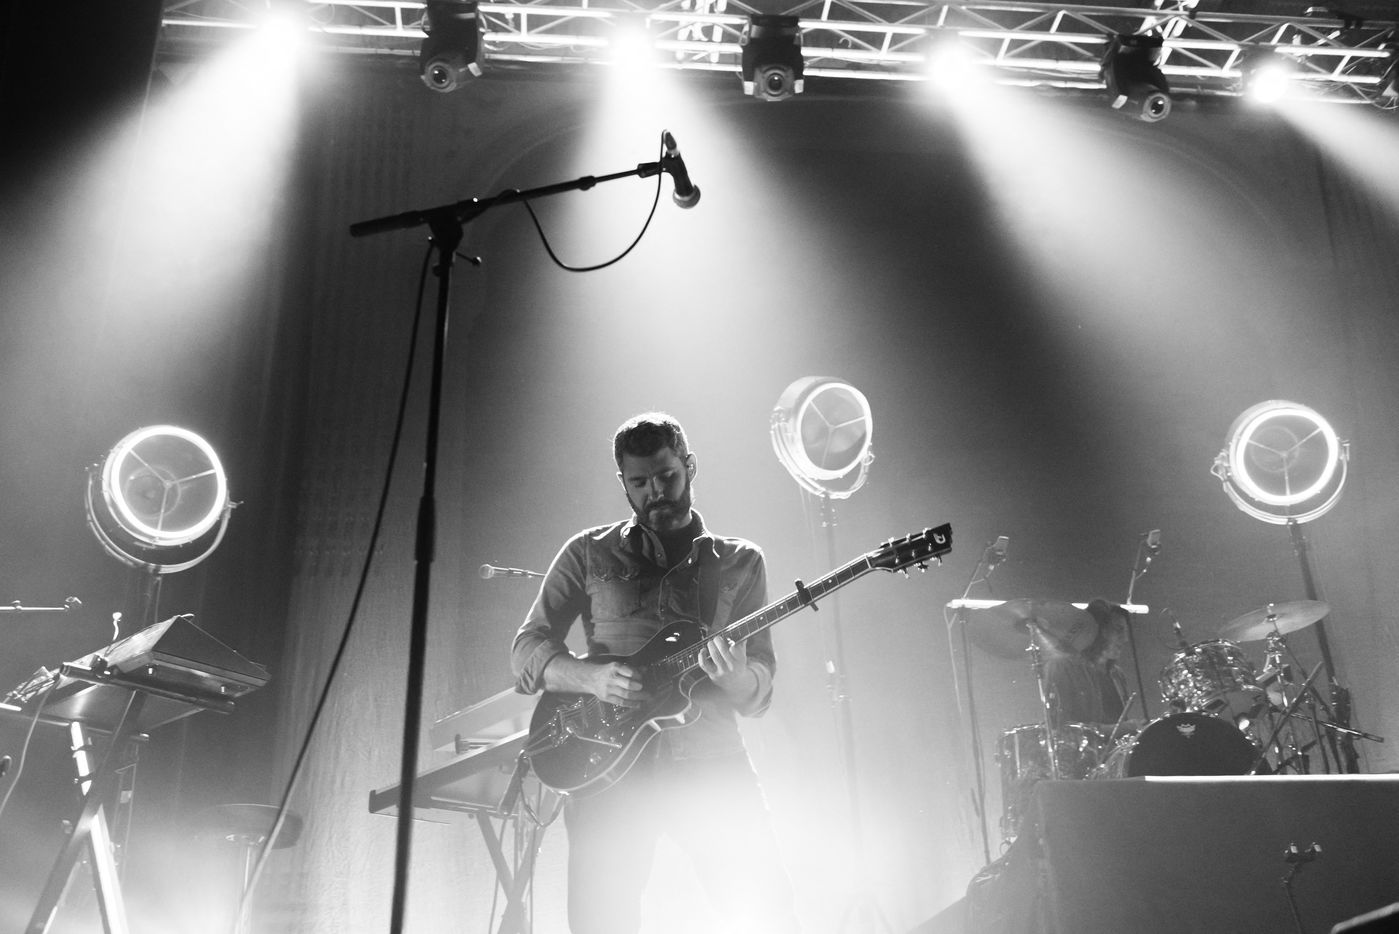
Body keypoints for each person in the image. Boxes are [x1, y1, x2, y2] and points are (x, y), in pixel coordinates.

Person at [511, 412, 799, 934]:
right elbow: (528, 648)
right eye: (640, 482)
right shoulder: (588, 552)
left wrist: (735, 677)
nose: (656, 493)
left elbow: (759, 690)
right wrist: (592, 680)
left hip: (711, 760)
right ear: (623, 483)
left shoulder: (740, 562)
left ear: (690, 467)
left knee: (769, 914)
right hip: (607, 764)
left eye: (667, 476)